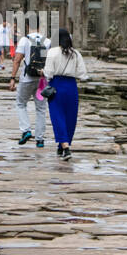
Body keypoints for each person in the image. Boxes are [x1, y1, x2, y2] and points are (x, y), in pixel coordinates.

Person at [43, 27, 88, 160]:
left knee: (58, 117)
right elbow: (83, 75)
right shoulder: (76, 54)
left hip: (56, 86)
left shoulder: (52, 52)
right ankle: (62, 145)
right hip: (71, 87)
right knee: (70, 118)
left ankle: (66, 148)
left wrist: (43, 73)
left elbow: (48, 73)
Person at [9, 28, 50, 147]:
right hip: (42, 80)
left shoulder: (24, 40)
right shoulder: (47, 41)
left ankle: (26, 130)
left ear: (27, 26)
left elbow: (17, 60)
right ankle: (40, 139)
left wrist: (12, 78)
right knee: (41, 109)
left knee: (21, 104)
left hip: (27, 79)